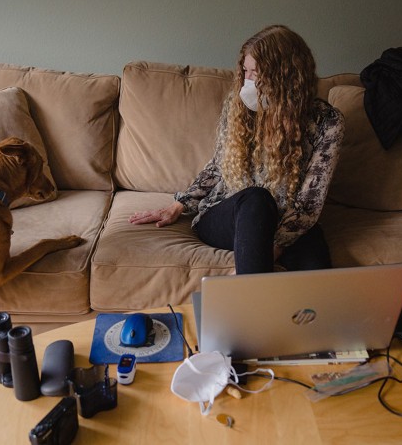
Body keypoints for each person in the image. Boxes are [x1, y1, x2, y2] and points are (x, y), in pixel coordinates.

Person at [128, 25, 345, 274]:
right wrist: (180, 204)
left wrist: (275, 244)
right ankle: (250, 302)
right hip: (231, 214)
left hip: (283, 221)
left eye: (256, 73)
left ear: (287, 76)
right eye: (246, 71)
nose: (248, 80)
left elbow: (310, 202)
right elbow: (218, 165)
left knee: (316, 269)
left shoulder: (327, 121)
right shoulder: (237, 106)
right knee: (257, 198)